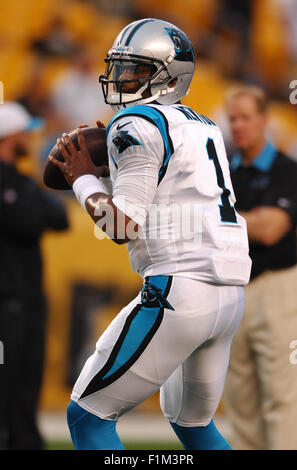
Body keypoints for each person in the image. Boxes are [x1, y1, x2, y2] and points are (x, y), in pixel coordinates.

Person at [50, 18, 251, 451]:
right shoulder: (203, 125)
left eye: (136, 71)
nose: (121, 79)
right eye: (120, 68)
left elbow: (121, 226)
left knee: (88, 416)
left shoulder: (133, 122)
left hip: (180, 289)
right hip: (229, 293)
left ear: (169, 77)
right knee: (194, 426)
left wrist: (83, 179)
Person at [224, 86, 297, 449]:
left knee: (283, 396)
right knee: (241, 400)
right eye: (233, 118)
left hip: (278, 287)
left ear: (264, 120)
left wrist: (220, 218)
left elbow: (272, 229)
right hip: (235, 288)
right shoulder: (221, 172)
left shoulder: (287, 170)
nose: (238, 126)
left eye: (245, 118)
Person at [0, 102, 69, 449]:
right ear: (9, 136)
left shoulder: (23, 182)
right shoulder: (9, 182)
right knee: (6, 386)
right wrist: (34, 211)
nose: (31, 136)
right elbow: (27, 222)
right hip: (4, 304)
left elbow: (60, 219)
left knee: (27, 388)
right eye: (25, 131)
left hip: (28, 301)